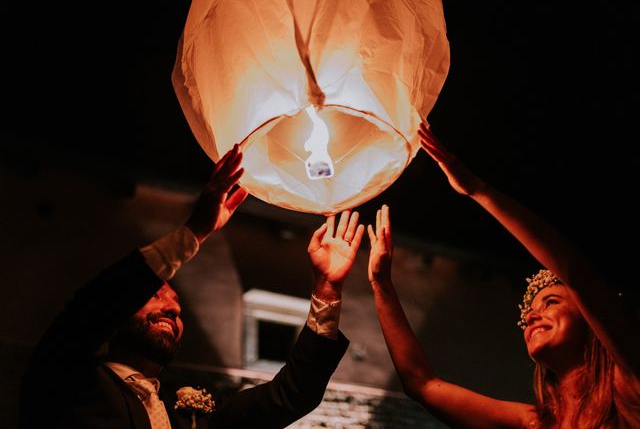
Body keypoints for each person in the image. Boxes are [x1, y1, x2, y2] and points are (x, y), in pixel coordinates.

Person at [19, 143, 365, 429]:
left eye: (178, 306)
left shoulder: (189, 417)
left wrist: (327, 289)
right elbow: (92, 307)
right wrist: (195, 232)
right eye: (155, 295)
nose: (172, 307)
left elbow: (291, 395)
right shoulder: (68, 377)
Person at [365, 123, 640, 428]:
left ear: (590, 317)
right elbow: (422, 384)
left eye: (550, 302)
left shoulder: (629, 386)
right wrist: (381, 284)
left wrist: (477, 190)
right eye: (528, 315)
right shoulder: (537, 422)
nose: (531, 318)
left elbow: (576, 274)